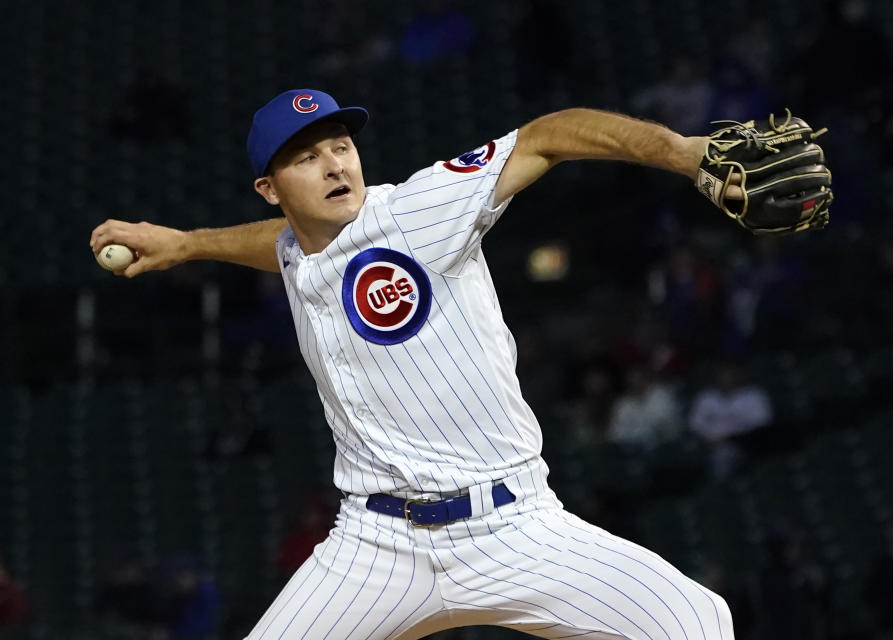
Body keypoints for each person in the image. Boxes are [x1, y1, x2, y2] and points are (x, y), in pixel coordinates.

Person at [91, 89, 742, 639]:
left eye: (340, 146)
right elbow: (280, 242)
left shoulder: (417, 211)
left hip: (512, 528)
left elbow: (549, 135)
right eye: (307, 157)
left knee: (696, 623)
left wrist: (685, 153)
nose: (333, 165)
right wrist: (187, 244)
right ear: (269, 188)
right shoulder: (295, 245)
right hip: (375, 546)